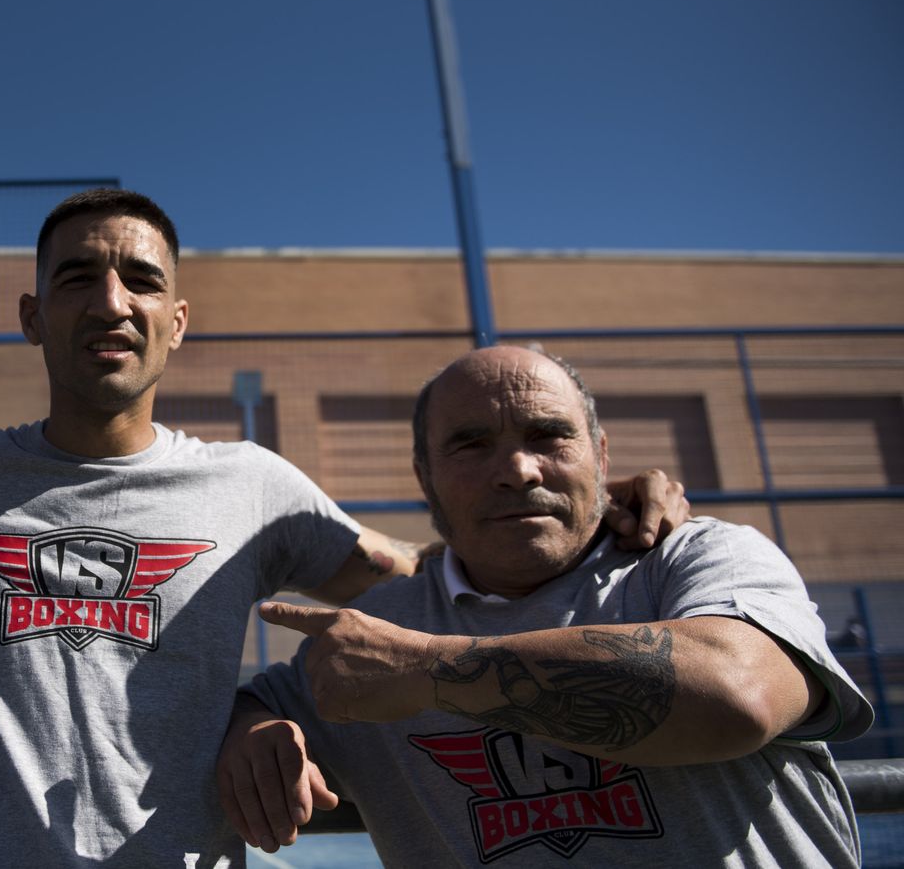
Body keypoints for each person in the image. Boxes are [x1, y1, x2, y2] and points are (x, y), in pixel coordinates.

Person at [0, 190, 689, 867]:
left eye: (139, 281)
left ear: (175, 321)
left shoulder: (254, 485)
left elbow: (439, 581)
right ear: (33, 315)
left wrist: (589, 520)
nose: (109, 300)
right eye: (76, 278)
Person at [219, 345, 873, 866]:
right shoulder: (383, 627)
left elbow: (737, 694)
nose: (520, 470)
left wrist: (425, 672)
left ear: (602, 454)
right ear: (424, 477)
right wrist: (253, 728)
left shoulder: (699, 559)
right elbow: (263, 702)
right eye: (472, 444)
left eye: (549, 435)